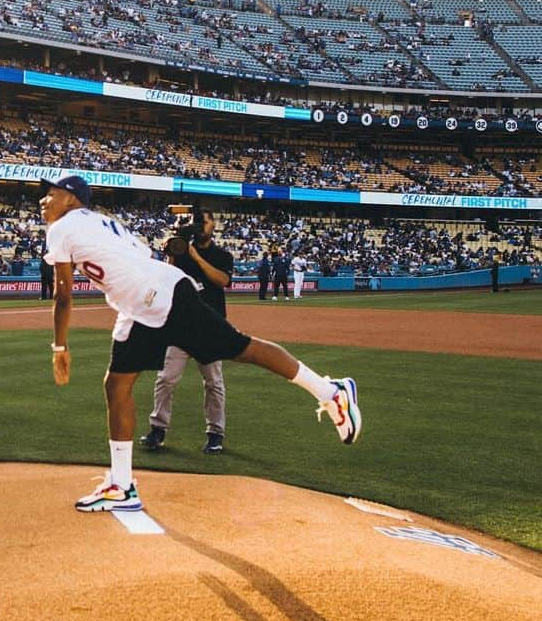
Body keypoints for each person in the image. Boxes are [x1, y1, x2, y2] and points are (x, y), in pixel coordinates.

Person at [41, 176, 361, 514]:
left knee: (241, 348)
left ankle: (331, 392)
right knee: (117, 385)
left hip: (158, 300)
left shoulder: (62, 227)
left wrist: (60, 348)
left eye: (51, 194)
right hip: (143, 304)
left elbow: (63, 295)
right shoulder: (104, 222)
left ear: (72, 200)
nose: (43, 201)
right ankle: (122, 486)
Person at [139, 208, 232, 456]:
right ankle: (157, 430)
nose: (201, 225)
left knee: (213, 383)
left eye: (205, 220)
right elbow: (166, 280)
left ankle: (215, 434)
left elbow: (222, 280)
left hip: (210, 326)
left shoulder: (221, 255)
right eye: (197, 221)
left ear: (214, 225)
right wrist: (173, 253)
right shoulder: (181, 252)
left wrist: (195, 256)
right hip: (180, 325)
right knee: (165, 379)